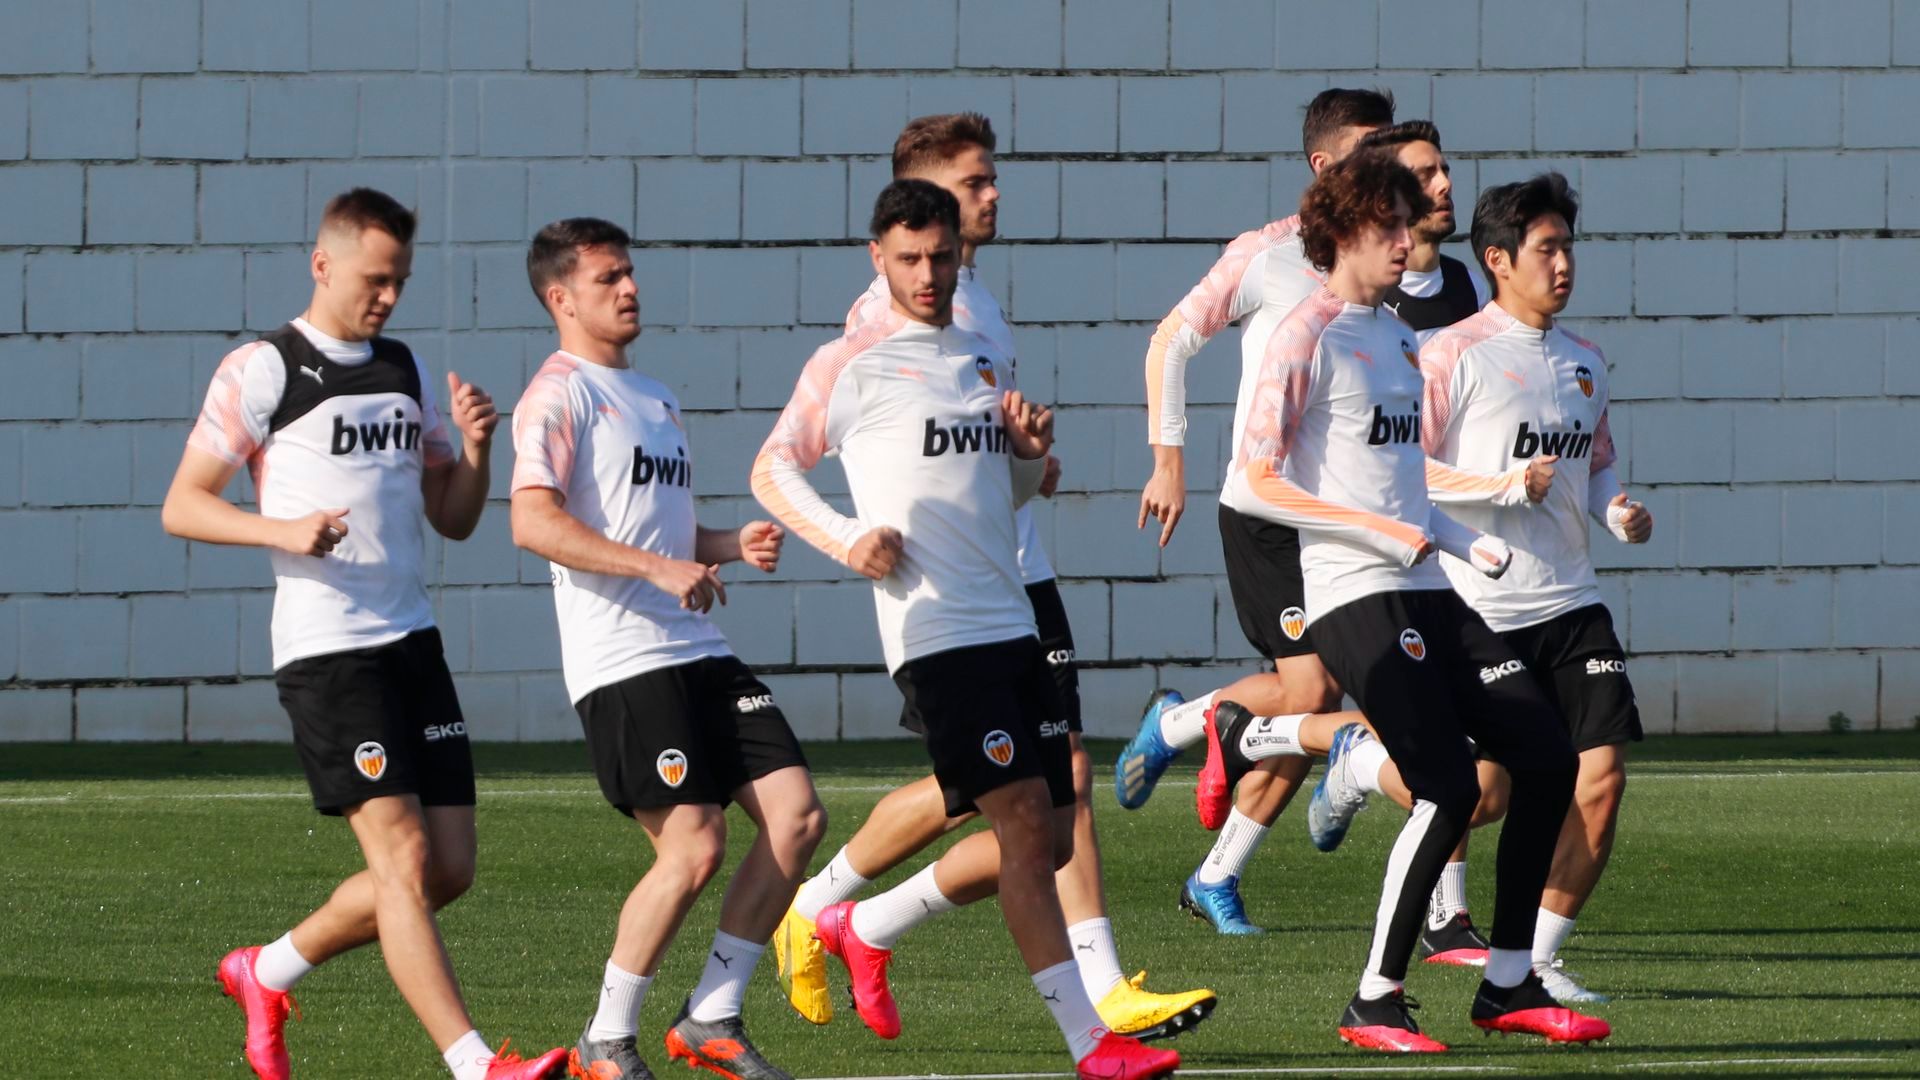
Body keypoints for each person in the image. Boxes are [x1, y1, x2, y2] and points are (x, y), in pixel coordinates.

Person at [771, 113, 1214, 1043]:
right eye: (974, 183)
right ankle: (1094, 1006)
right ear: (912, 212)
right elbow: (788, 462)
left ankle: (850, 917)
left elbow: (992, 462)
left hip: (1012, 583)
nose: (991, 196)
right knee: (1028, 797)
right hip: (948, 610)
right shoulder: (868, 339)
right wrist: (850, 536)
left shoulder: (979, 310)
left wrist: (1026, 457)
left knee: (1021, 809)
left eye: (987, 183)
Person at [164, 188, 566, 1080]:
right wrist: (280, 529)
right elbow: (182, 504)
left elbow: (454, 519)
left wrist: (474, 451)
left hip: (410, 641)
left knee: (446, 870)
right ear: (323, 264)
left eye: (400, 283)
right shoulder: (265, 369)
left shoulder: (405, 368)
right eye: (374, 280)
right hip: (326, 649)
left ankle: (266, 971)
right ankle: (474, 1063)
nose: (387, 297)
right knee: (401, 855)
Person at [1215, 152, 1610, 1052]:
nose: (1410, 240)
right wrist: (1376, 532)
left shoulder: (1395, 337)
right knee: (1444, 783)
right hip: (1356, 598)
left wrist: (1469, 537)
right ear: (1343, 231)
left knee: (1545, 759)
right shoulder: (1303, 334)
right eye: (1391, 226)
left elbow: (1404, 486)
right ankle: (1375, 1000)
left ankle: (1507, 983)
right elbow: (1254, 482)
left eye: (1410, 224)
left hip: (1432, 589)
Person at [509, 217, 828, 1080]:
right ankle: (606, 1038)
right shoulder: (557, 395)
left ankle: (713, 1015)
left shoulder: (652, 395)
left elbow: (659, 524)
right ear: (560, 297)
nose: (630, 288)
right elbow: (531, 520)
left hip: (695, 645)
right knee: (693, 845)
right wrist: (658, 568)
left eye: (630, 273)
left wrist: (726, 546)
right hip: (623, 660)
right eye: (609, 277)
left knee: (797, 818)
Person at [1119, 88, 1397, 934]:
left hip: (1351, 519)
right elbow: (1172, 339)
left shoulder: (1397, 262)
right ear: (1325, 165)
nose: (1389, 166)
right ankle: (1180, 725)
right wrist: (1167, 460)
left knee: (1311, 695)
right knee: (1310, 685)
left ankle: (1214, 870)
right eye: (1372, 149)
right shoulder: (1267, 255)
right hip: (1269, 510)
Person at [1418, 172, 1651, 1002]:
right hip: (1481, 608)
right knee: (1482, 798)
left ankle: (1536, 961)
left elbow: (1595, 467)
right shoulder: (1449, 355)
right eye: (1546, 249)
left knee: (1603, 776)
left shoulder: (1586, 362)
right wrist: (1503, 486)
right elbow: (1409, 474)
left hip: (1573, 605)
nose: (1563, 265)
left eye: (1567, 247)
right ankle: (1349, 758)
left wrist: (1617, 509)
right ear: (1497, 260)